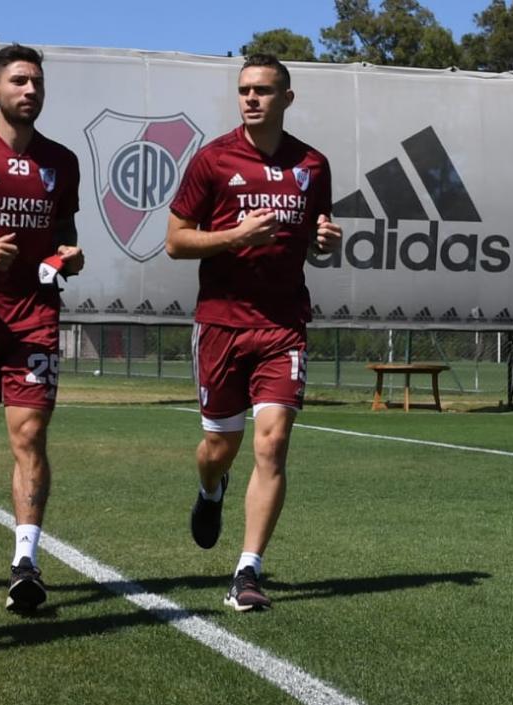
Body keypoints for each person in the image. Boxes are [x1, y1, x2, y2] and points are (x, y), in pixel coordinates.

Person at [165, 54, 342, 611]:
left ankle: (248, 571)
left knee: (273, 442)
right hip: (220, 324)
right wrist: (235, 236)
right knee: (221, 446)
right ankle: (209, 488)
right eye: (244, 89)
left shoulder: (313, 164)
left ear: (286, 98)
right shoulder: (212, 160)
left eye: (263, 90)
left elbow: (313, 238)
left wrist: (324, 241)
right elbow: (175, 240)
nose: (251, 99)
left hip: (283, 325)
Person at [0, 43, 82, 612]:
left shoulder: (63, 161)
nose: (30, 90)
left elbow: (65, 241)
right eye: (19, 81)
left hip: (34, 317)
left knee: (28, 437)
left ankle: (25, 563)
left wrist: (66, 261)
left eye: (37, 83)